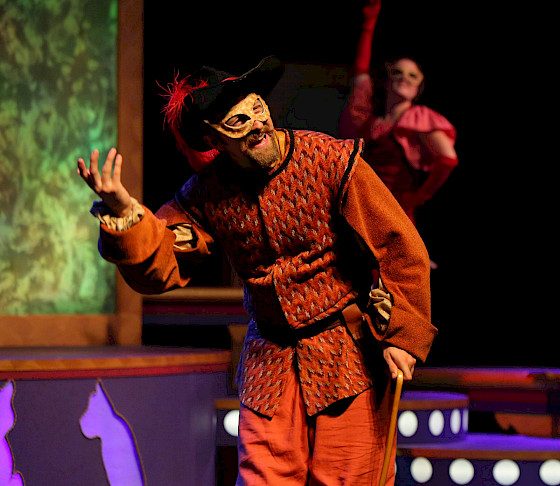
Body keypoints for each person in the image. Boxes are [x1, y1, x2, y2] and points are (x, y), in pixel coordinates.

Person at [77, 56, 437, 486]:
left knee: (351, 477)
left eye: (257, 110)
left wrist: (403, 332)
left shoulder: (328, 159)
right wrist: (124, 214)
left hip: (346, 357)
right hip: (271, 366)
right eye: (238, 122)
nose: (256, 126)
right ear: (215, 137)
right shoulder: (207, 193)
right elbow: (161, 262)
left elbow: (400, 245)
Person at [338, 0, 458, 232]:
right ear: (387, 79)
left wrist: (420, 196)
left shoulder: (419, 118)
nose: (405, 78)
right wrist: (368, 25)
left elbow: (448, 158)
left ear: (419, 86)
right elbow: (360, 72)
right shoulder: (371, 122)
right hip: (362, 205)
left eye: (413, 75)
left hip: (395, 210)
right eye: (398, 72)